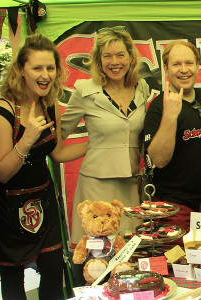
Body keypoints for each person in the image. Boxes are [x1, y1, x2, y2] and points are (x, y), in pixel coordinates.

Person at [0, 34, 86, 299]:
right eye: (37, 68)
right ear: (21, 70)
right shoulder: (3, 110)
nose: (45, 75)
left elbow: (57, 152)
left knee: (53, 269)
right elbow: (1, 172)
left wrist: (96, 145)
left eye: (50, 68)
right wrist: (27, 139)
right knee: (13, 275)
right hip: (8, 204)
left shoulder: (49, 104)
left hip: (43, 199)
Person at [61, 26, 150, 247]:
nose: (114, 62)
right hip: (95, 185)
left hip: (130, 184)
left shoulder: (142, 88)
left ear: (131, 58)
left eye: (121, 55)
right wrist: (95, 146)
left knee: (130, 251)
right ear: (98, 60)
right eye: (107, 56)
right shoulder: (84, 89)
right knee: (97, 255)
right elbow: (59, 133)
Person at [143, 41, 201, 229]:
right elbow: (159, 160)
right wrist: (170, 115)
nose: (184, 70)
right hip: (173, 207)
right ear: (166, 68)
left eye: (189, 63)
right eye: (177, 64)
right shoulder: (158, 106)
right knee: (177, 259)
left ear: (197, 65)